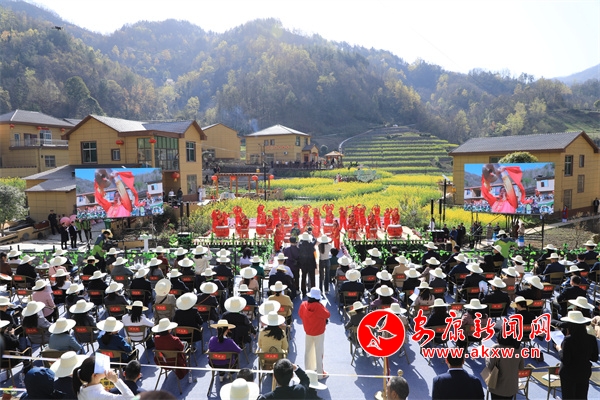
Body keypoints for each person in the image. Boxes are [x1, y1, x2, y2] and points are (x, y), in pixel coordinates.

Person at [557, 311, 599, 399]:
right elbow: (594, 358)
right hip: (584, 372)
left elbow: (565, 360)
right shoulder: (591, 338)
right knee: (582, 396)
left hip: (568, 373)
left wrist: (559, 349)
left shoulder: (568, 340)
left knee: (568, 397)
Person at [298, 287, 330, 378]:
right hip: (319, 332)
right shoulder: (319, 306)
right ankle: (320, 374)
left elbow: (300, 315)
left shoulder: (303, 305)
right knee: (319, 353)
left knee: (308, 352)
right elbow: (327, 314)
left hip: (308, 331)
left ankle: (308, 372)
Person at [485, 332, 523, 400]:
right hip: (511, 387)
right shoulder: (519, 349)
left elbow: (489, 367)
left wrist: (487, 357)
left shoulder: (496, 348)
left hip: (496, 386)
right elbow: (521, 367)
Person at [298, 232, 317, 297]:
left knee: (303, 277)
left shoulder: (300, 245)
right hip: (311, 263)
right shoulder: (311, 244)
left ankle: (303, 291)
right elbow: (315, 240)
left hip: (303, 264)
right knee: (312, 278)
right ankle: (313, 290)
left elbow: (299, 241)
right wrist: (312, 235)